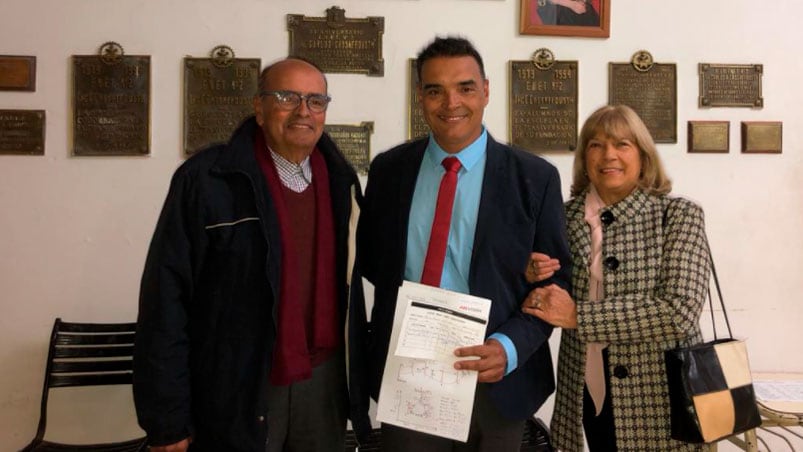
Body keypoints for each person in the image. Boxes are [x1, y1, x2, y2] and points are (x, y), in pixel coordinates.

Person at [133, 57, 369, 452]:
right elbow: (165, 300)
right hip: (239, 383)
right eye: (286, 97)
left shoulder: (341, 182)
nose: (303, 111)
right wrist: (167, 417)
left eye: (315, 100)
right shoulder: (208, 181)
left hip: (324, 382)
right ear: (259, 109)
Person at [353, 36, 572, 451]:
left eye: (465, 88)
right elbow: (371, 262)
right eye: (435, 90)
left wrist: (509, 347)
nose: (450, 103)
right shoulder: (389, 170)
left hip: (496, 376)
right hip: (410, 372)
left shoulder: (534, 178)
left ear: (486, 91)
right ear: (420, 96)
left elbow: (559, 286)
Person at [522, 105, 710, 451]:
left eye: (622, 144)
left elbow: (679, 311)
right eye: (596, 145)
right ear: (584, 156)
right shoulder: (560, 218)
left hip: (661, 396)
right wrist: (532, 274)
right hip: (585, 389)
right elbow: (541, 295)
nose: (608, 155)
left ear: (643, 155)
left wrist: (579, 315)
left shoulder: (678, 215)